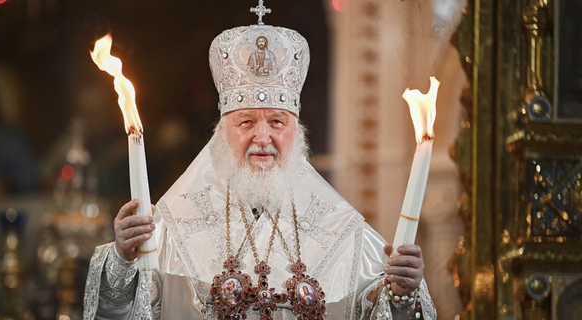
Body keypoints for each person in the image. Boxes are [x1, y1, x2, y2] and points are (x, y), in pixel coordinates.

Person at [84, 4, 436, 319]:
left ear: (296, 133)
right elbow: (118, 312)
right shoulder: (171, 225)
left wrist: (403, 294)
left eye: (277, 122)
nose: (262, 138)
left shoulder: (341, 229)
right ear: (223, 131)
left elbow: (381, 308)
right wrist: (123, 260)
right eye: (247, 122)